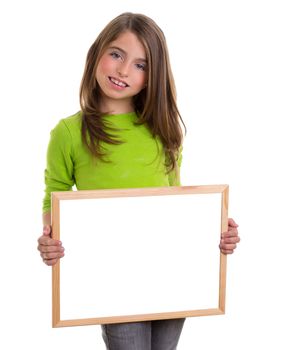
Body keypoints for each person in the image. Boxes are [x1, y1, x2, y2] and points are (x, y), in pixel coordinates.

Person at [37, 12, 240, 350]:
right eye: (116, 54)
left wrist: (216, 232)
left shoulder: (163, 130)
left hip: (171, 272)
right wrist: (52, 240)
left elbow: (175, 200)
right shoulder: (69, 133)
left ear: (152, 76)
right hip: (114, 278)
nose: (123, 70)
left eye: (140, 65)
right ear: (97, 53)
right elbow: (53, 196)